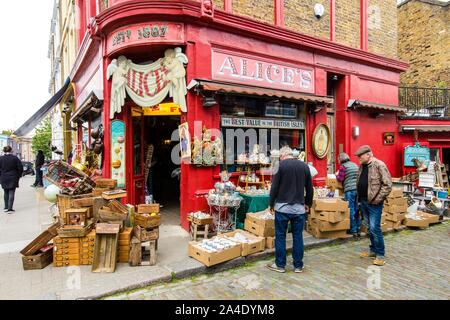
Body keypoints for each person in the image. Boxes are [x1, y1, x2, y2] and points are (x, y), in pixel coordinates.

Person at [268, 146, 314, 273]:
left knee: (281, 236)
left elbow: (274, 187)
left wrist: (271, 204)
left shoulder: (280, 165)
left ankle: (280, 265)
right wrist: (308, 203)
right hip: (299, 208)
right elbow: (310, 188)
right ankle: (298, 265)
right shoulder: (304, 166)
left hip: (282, 208)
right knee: (298, 236)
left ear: (282, 156)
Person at [355, 145, 392, 266]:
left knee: (375, 228)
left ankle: (380, 254)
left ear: (368, 155)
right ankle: (373, 250)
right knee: (369, 227)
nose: (358, 159)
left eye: (360, 156)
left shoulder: (379, 165)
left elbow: (387, 185)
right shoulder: (362, 166)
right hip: (364, 201)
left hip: (374, 203)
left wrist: (377, 199)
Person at [336, 152, 361, 238]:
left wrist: (336, 175)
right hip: (357, 190)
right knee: (357, 209)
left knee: (351, 209)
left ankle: (352, 230)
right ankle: (358, 228)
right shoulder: (354, 165)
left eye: (338, 159)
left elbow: (340, 178)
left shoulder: (343, 167)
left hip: (349, 190)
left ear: (341, 159)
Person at [0, 146, 23, 213]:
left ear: (4, 150)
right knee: (11, 192)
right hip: (13, 177)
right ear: (11, 150)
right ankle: (10, 209)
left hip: (4, 177)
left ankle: (6, 207)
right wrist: (18, 175)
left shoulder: (1, 158)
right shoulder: (15, 158)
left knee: (5, 192)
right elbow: (20, 168)